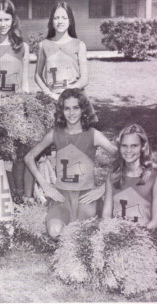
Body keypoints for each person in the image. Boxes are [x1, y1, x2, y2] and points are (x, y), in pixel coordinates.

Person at [24, 88, 117, 240]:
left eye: (76, 108)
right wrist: (45, 185)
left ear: (83, 110)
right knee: (54, 231)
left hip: (86, 196)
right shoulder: (55, 133)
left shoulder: (93, 134)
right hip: (62, 196)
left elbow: (123, 159)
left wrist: (103, 189)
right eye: (67, 108)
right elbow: (29, 157)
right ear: (61, 110)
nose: (71, 113)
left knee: (80, 234)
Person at [102, 124, 157, 265]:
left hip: (145, 233)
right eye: (124, 146)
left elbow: (154, 222)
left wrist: (136, 239)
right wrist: (111, 233)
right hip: (120, 231)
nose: (128, 151)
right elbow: (107, 213)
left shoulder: (155, 178)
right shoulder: (112, 176)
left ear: (143, 147)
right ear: (119, 148)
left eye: (134, 146)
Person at [34, 2, 89, 101]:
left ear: (70, 20)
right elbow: (37, 74)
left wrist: (66, 93)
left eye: (64, 18)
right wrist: (48, 93)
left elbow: (84, 79)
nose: (60, 21)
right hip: (52, 98)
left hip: (73, 98)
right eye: (56, 18)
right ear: (51, 21)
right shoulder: (44, 45)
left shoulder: (80, 45)